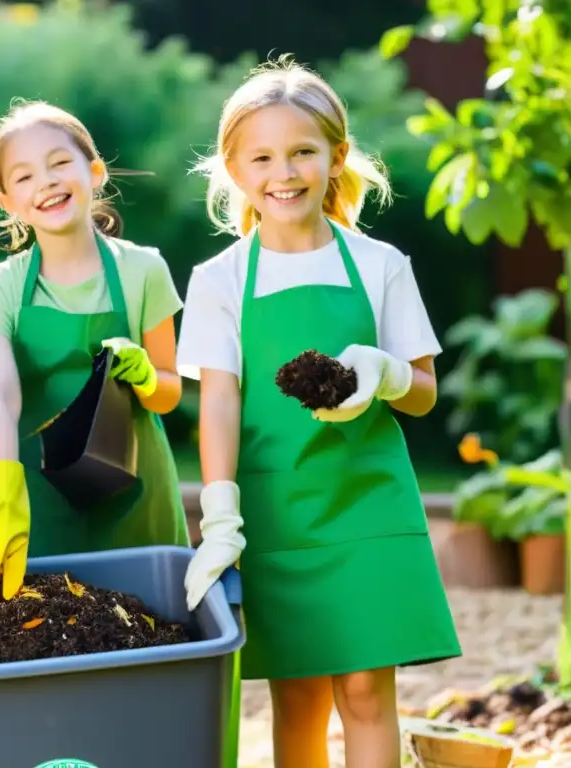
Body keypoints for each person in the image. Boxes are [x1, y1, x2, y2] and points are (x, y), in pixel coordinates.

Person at [177, 58, 462, 768]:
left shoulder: (380, 264)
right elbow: (218, 402)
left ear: (336, 156)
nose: (286, 172)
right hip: (279, 514)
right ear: (234, 170)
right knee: (298, 696)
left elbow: (424, 391)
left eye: (303, 151)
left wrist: (388, 372)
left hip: (368, 505)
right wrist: (219, 516)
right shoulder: (219, 281)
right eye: (263, 157)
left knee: (366, 689)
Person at [0, 100, 190, 626]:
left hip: (138, 497)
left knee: (154, 634)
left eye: (59, 163)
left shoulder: (142, 270)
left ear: (94, 171)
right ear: (7, 200)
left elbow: (169, 393)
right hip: (38, 500)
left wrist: (147, 374)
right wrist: (2, 499)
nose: (47, 183)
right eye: (25, 175)